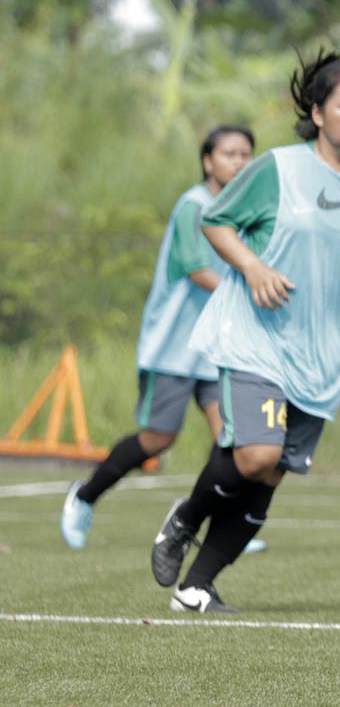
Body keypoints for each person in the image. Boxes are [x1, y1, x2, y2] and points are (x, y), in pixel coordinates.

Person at [148, 49, 340, 613]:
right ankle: (186, 516)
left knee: (270, 474)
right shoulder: (279, 169)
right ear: (319, 112)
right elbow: (216, 221)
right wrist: (252, 267)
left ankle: (196, 586)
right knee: (255, 454)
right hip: (258, 337)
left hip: (322, 359)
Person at [59, 125, 265, 557]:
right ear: (208, 161)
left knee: (232, 437)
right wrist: (254, 288)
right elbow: (196, 269)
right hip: (174, 347)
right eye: (229, 153)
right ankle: (84, 497)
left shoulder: (245, 212)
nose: (239, 162)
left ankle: (215, 524)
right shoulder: (194, 206)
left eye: (247, 154)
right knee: (157, 439)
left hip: (217, 347)